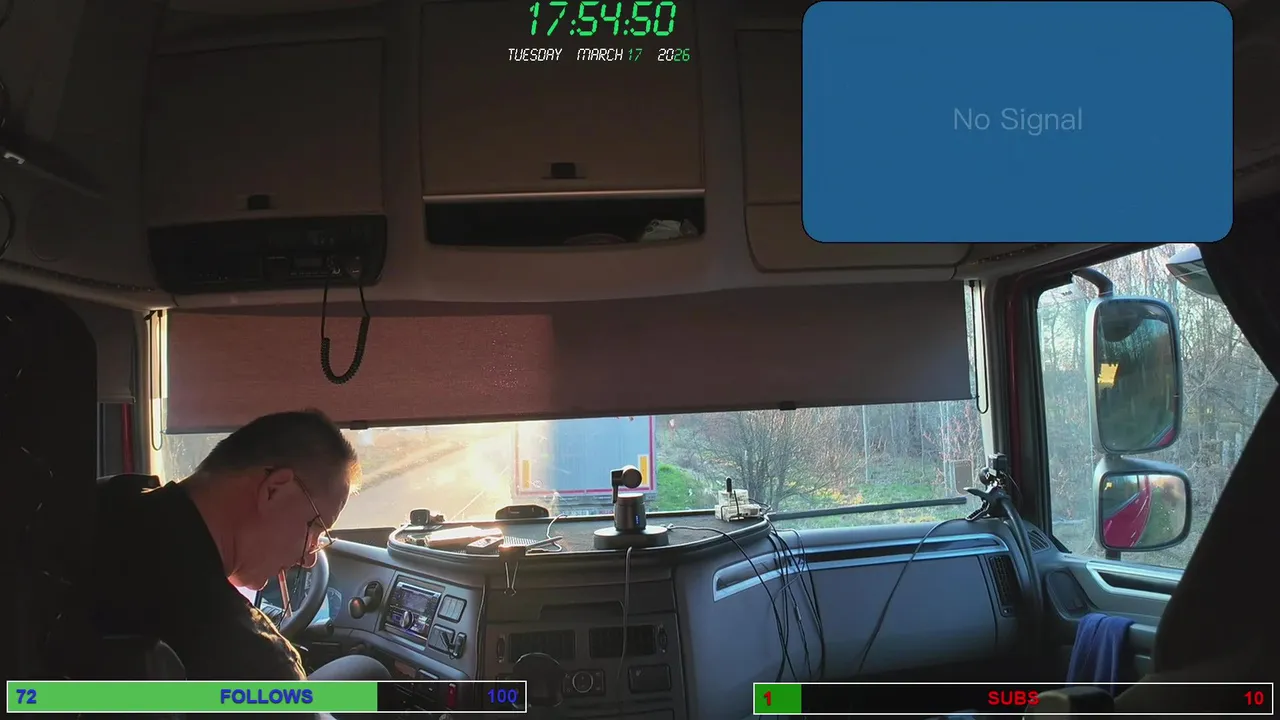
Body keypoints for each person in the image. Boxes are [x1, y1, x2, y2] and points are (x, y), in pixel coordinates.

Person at [93, 409, 389, 682]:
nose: (309, 559)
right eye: (314, 527)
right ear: (274, 490)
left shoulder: (104, 500)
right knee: (368, 673)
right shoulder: (254, 659)